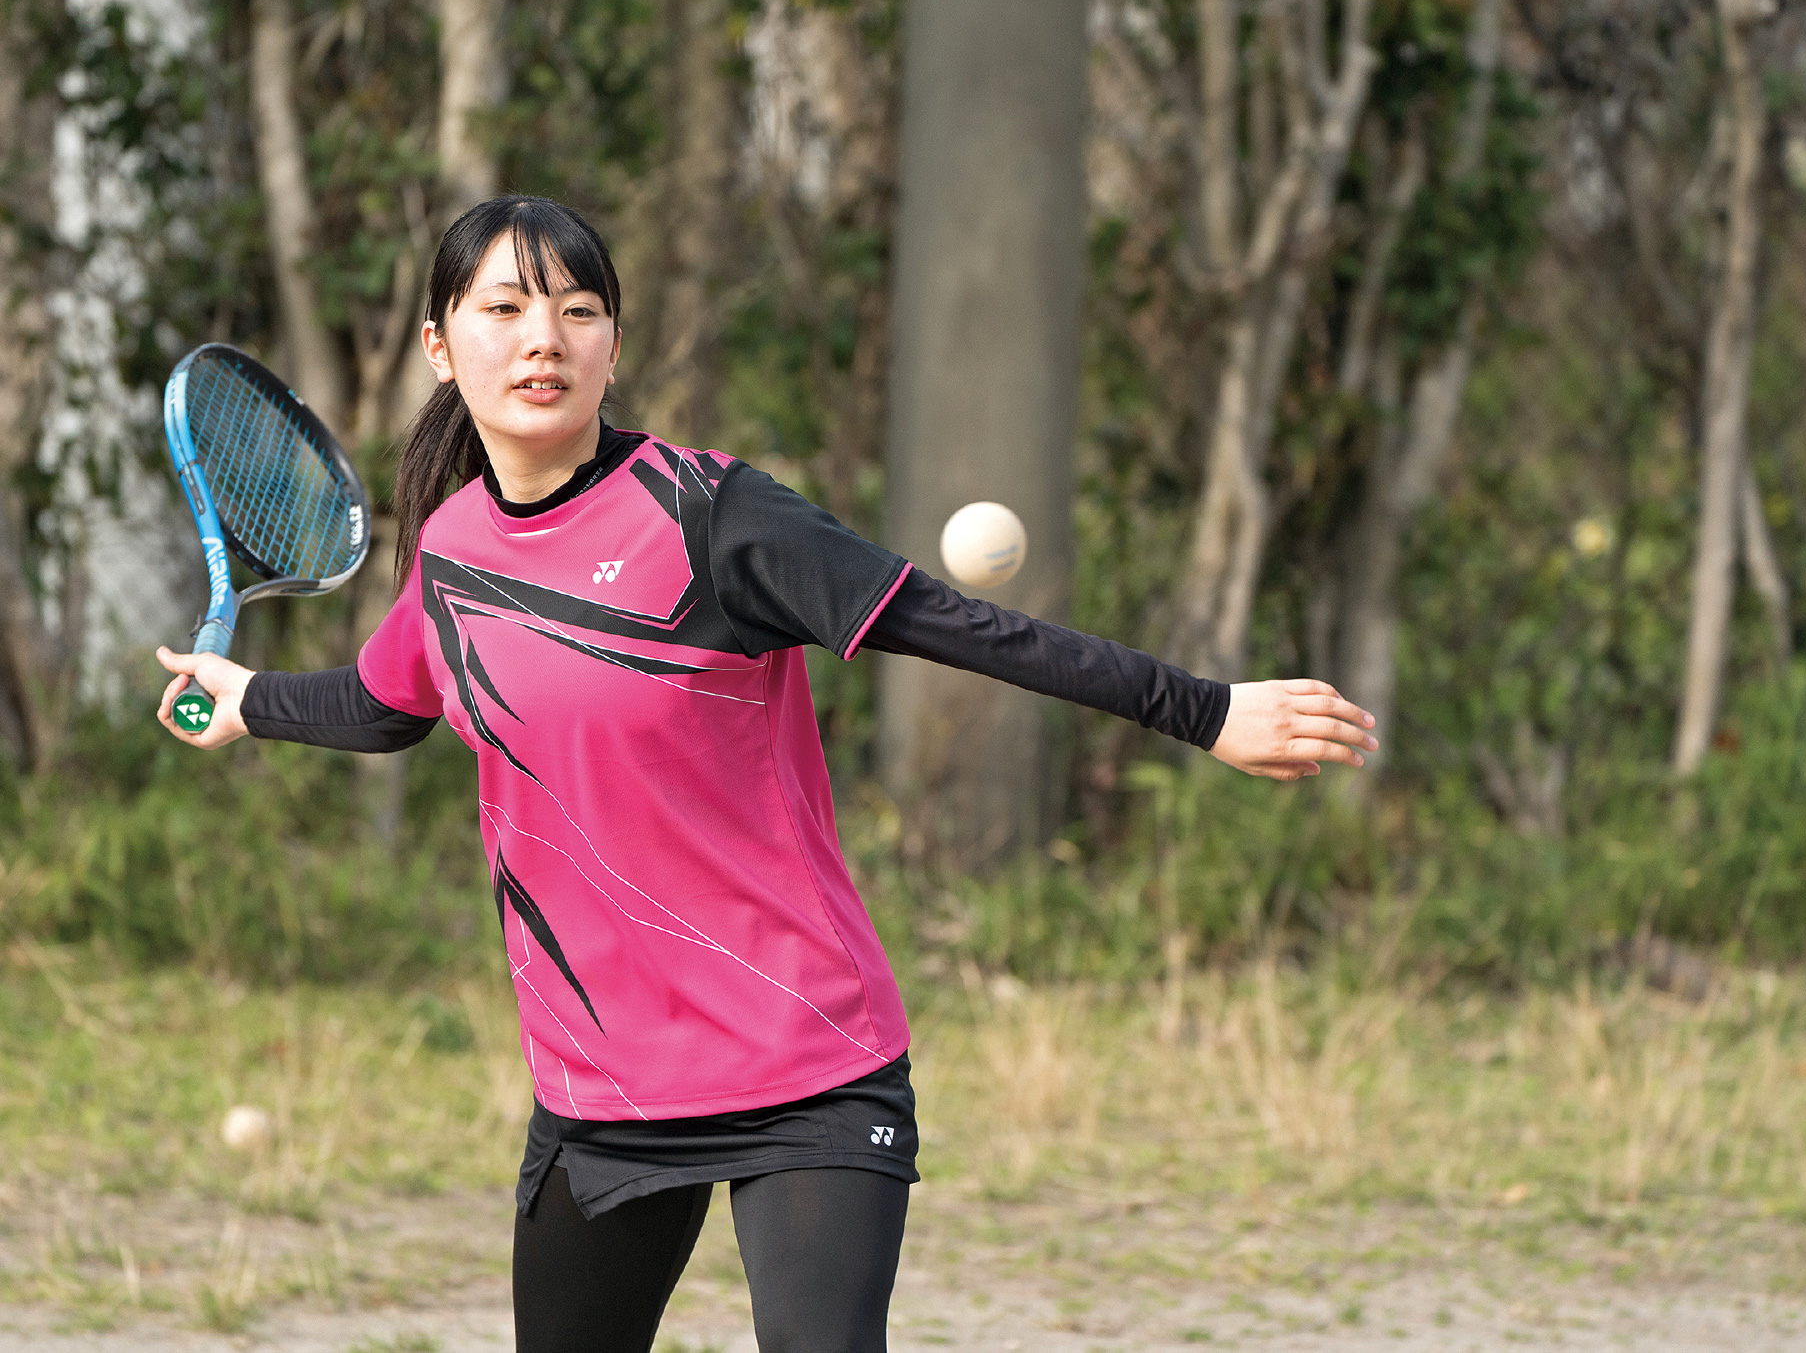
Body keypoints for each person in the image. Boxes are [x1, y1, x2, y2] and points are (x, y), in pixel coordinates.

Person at [155, 195, 1377, 1353]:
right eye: (505, 309)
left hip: (807, 1059)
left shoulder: (709, 513)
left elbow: (965, 630)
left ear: (615, 343)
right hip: (603, 1082)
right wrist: (248, 702)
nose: (545, 340)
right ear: (439, 343)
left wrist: (1207, 710)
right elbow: (384, 705)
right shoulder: (454, 551)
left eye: (578, 310)